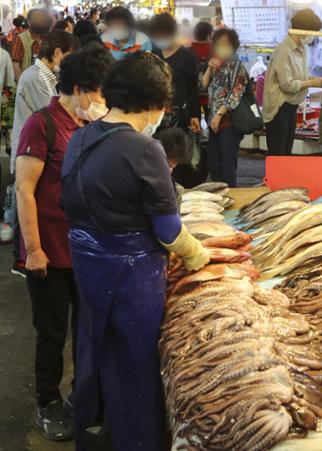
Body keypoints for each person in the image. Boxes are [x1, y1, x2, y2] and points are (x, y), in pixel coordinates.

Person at [60, 51, 209, 451]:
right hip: (131, 277)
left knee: (97, 350)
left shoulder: (81, 137)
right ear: (158, 104)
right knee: (136, 365)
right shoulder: (146, 150)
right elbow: (168, 231)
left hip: (89, 269)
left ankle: (96, 434)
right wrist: (198, 256)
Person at [14, 43, 113, 442]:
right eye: (101, 92)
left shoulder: (91, 125)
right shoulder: (43, 124)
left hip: (86, 251)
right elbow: (24, 190)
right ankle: (48, 401)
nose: (104, 100)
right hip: (49, 252)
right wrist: (34, 250)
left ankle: (82, 395)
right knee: (52, 332)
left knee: (87, 328)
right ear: (81, 89)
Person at [9, 31, 79, 277]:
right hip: (31, 150)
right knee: (26, 197)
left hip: (37, 149)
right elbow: (52, 112)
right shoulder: (36, 77)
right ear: (58, 53)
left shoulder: (45, 75)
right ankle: (22, 258)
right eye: (70, 56)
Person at [263, 8, 322, 156]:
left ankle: (283, 179)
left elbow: (300, 76)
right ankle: (274, 179)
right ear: (303, 30)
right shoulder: (283, 51)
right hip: (279, 108)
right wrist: (311, 84)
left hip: (291, 107)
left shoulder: (301, 49)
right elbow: (288, 84)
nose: (312, 37)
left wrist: (314, 79)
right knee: (278, 154)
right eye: (312, 32)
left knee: (286, 152)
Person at [149, 13, 201, 188]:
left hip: (181, 115)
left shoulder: (186, 56)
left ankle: (180, 190)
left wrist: (195, 116)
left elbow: (193, 89)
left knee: (177, 156)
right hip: (157, 116)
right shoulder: (154, 54)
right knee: (158, 154)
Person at [201, 28, 248, 187]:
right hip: (213, 123)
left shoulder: (238, 67)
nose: (222, 47)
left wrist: (219, 115)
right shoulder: (217, 65)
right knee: (213, 164)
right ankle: (219, 193)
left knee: (228, 165)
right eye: (219, 44)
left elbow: (236, 95)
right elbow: (203, 85)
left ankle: (231, 196)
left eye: (226, 44)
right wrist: (209, 68)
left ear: (233, 46)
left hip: (228, 123)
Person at [12, 8, 53, 80]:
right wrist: (23, 85)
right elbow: (16, 64)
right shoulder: (22, 38)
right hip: (27, 81)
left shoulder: (47, 38)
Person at [191, 21, 214, 118]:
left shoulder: (188, 50)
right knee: (212, 126)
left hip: (193, 96)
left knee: (193, 127)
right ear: (209, 34)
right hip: (211, 96)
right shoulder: (215, 51)